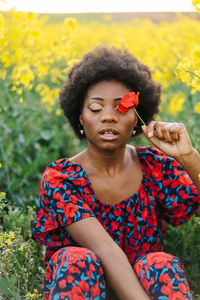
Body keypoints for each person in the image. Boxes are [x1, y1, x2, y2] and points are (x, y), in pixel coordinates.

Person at [32, 46, 200, 300]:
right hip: (88, 290)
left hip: (145, 286)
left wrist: (188, 156)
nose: (109, 117)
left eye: (121, 108)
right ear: (80, 117)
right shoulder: (62, 178)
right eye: (96, 108)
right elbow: (105, 249)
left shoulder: (155, 166)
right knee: (76, 258)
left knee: (159, 263)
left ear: (136, 118)